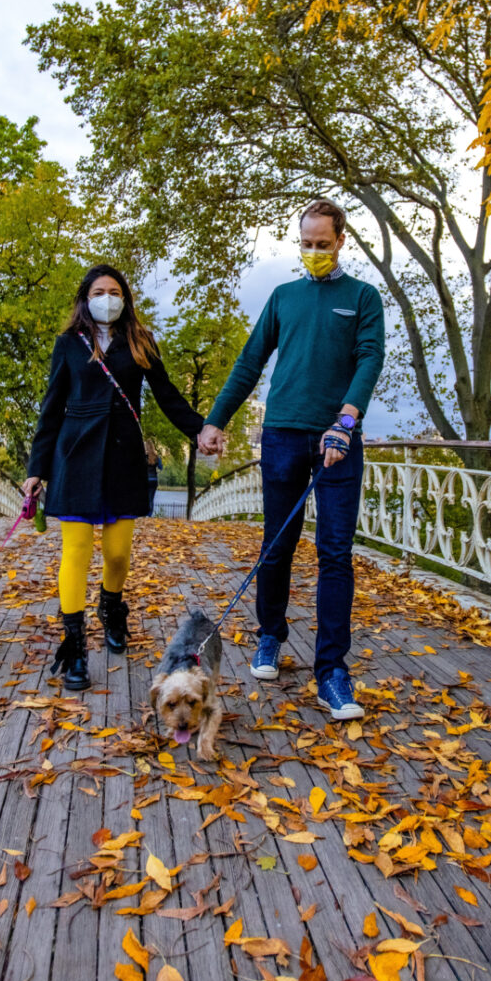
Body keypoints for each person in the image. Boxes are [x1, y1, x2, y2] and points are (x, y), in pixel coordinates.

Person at [197, 199, 385, 720]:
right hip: (280, 435)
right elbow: (250, 360)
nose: (314, 253)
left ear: (342, 240)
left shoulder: (363, 298)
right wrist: (216, 419)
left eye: (323, 244)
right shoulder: (283, 298)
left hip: (337, 441)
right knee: (276, 546)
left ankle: (332, 673)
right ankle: (270, 637)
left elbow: (371, 358)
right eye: (306, 244)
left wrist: (347, 419)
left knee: (335, 554)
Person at [24, 265, 204, 691]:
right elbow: (51, 408)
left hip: (124, 459)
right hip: (76, 458)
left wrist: (199, 429)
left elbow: (167, 396)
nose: (108, 297)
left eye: (115, 291)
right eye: (99, 291)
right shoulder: (68, 345)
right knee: (77, 553)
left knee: (118, 555)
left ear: (125, 298)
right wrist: (37, 469)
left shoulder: (140, 342)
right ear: (85, 298)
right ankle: (74, 648)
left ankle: (112, 608)